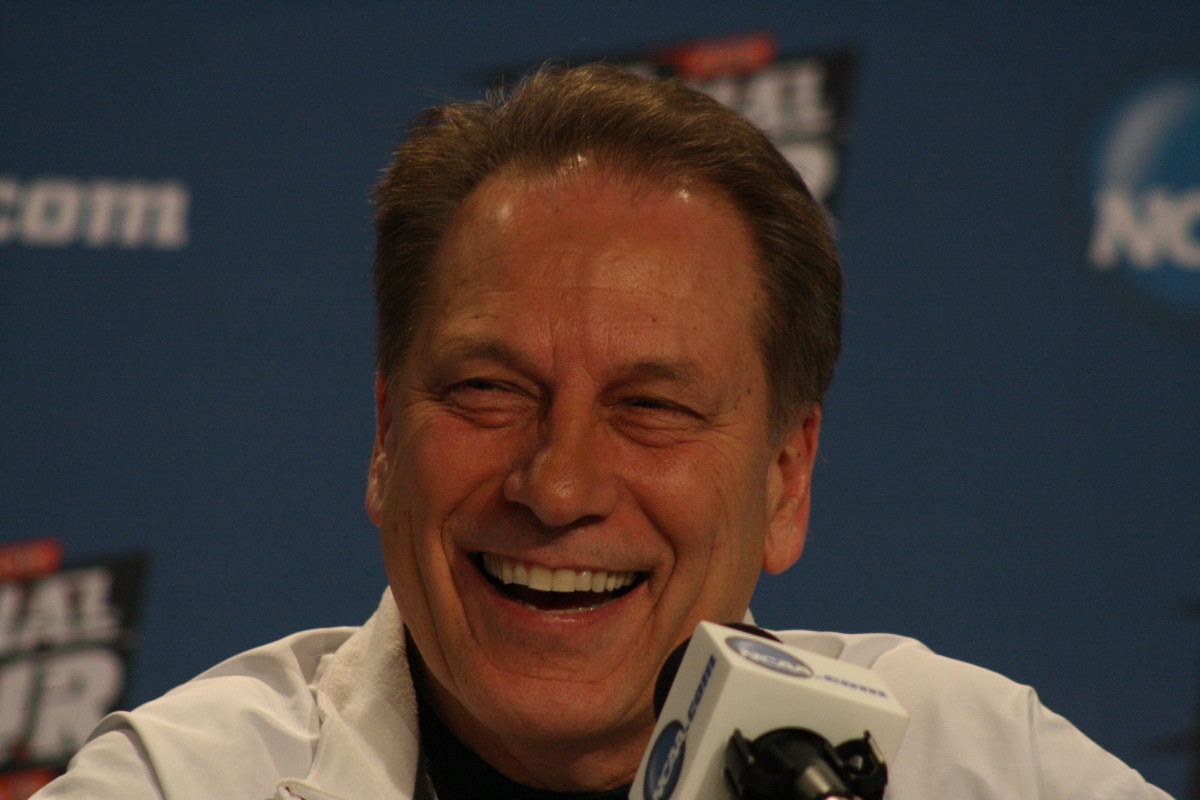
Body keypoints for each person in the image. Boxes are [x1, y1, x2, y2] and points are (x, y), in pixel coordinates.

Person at [34, 64, 1170, 800]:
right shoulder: (180, 783)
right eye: (490, 388)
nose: (560, 481)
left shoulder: (975, 764)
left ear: (786, 477)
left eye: (652, 407)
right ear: (386, 437)